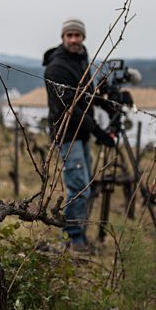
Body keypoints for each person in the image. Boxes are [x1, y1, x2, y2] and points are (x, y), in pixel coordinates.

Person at [43, 18, 115, 250]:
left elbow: (86, 95)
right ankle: (72, 239)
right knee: (79, 188)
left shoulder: (82, 59)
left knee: (86, 186)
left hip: (81, 135)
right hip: (67, 135)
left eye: (77, 35)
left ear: (83, 37)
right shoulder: (57, 68)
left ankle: (78, 236)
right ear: (63, 38)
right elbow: (69, 109)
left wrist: (109, 101)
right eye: (69, 36)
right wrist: (98, 131)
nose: (73, 39)